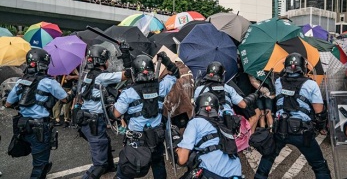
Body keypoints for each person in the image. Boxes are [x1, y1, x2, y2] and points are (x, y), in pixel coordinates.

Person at [255, 53, 331, 179]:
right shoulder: (311, 85)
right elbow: (319, 111)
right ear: (304, 67)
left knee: (268, 157)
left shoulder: (279, 82)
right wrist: (320, 125)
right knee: (319, 165)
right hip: (302, 131)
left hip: (280, 129)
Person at [5, 48, 73, 179]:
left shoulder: (21, 81)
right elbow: (65, 99)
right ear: (43, 64)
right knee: (40, 164)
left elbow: (8, 103)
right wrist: (73, 91)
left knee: (40, 158)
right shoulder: (49, 82)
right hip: (39, 128)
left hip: (23, 126)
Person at [111, 51, 180, 179]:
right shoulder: (162, 86)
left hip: (137, 140)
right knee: (158, 165)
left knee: (127, 168)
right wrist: (166, 61)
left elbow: (116, 114)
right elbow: (176, 73)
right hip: (156, 136)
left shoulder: (129, 92)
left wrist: (111, 105)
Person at [77, 44, 131, 179]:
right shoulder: (101, 77)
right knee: (98, 164)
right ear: (101, 61)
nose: (108, 62)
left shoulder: (86, 74)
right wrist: (126, 54)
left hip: (84, 118)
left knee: (105, 141)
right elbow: (127, 75)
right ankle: (102, 167)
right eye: (106, 59)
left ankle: (110, 166)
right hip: (93, 121)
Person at [176, 92, 243, 179]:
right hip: (236, 172)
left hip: (213, 173)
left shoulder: (195, 122)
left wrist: (178, 150)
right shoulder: (224, 123)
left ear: (197, 108)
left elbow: (182, 160)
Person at [194, 61, 258, 129]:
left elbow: (195, 106)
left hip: (206, 123)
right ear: (222, 75)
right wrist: (254, 96)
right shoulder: (228, 88)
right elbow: (243, 105)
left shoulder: (199, 89)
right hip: (227, 125)